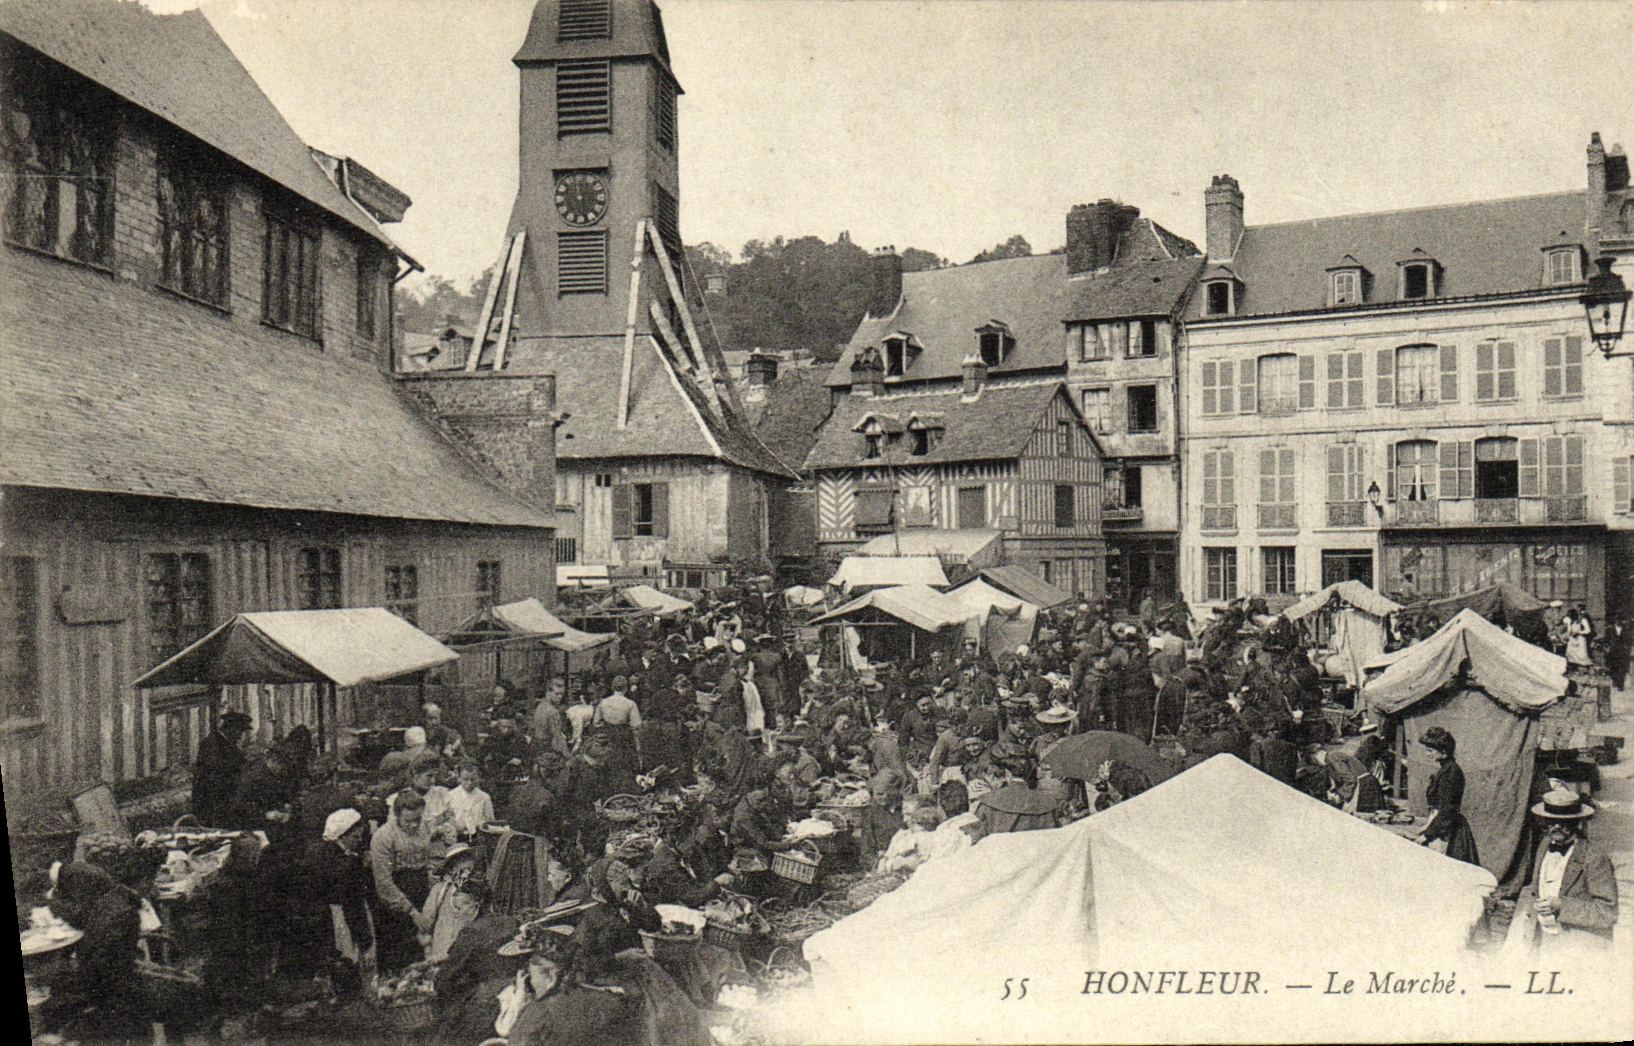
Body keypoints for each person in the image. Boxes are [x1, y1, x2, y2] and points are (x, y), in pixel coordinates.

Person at [43, 862, 145, 1040]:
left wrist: (53, 905)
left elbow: (82, 919)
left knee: (55, 991)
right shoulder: (109, 901)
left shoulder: (106, 909)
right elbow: (83, 917)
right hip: (114, 971)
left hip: (105, 979)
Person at [1511, 789, 1618, 952]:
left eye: (1565, 821)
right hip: (1544, 942)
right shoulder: (1544, 846)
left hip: (1578, 947)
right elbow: (1535, 891)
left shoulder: (1594, 857)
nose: (1557, 826)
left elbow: (1607, 912)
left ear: (1577, 822)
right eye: (1551, 821)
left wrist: (1561, 906)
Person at [369, 789, 439, 972]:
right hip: (395, 902)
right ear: (397, 815)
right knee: (398, 955)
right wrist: (412, 912)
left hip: (420, 892)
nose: (415, 825)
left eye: (418, 819)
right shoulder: (383, 837)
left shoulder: (423, 828)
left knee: (422, 948)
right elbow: (384, 882)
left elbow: (428, 859)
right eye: (409, 821)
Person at [1413, 727, 1479, 865]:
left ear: (1443, 752)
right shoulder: (1445, 770)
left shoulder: (1452, 773)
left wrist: (1428, 834)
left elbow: (1448, 810)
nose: (1427, 754)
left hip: (1447, 830)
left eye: (1430, 751)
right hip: (1440, 825)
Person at [192, 710, 252, 827]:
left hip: (223, 801)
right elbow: (216, 773)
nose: (240, 736)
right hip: (212, 802)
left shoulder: (226, 744)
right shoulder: (212, 744)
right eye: (240, 731)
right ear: (231, 728)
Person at [446, 760, 496, 838]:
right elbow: (447, 819)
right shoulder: (450, 796)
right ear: (459, 778)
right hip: (457, 836)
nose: (469, 783)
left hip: (479, 837)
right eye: (465, 779)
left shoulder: (484, 797)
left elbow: (490, 821)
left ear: (478, 778)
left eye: (473, 779)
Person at [531, 678, 571, 758]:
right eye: (557, 694)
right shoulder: (553, 712)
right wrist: (567, 756)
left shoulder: (540, 706)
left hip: (536, 746)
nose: (560, 696)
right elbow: (557, 737)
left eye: (561, 693)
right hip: (547, 749)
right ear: (548, 693)